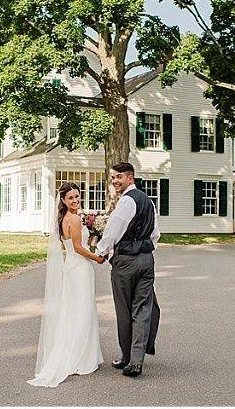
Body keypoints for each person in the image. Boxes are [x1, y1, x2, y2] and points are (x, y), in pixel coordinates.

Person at [28, 182, 104, 387]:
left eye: (77, 197)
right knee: (83, 310)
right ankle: (80, 357)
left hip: (70, 267)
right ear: (63, 200)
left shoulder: (63, 219)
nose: (75, 200)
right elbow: (79, 248)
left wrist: (94, 237)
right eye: (71, 198)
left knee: (72, 310)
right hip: (80, 268)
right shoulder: (75, 219)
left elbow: (67, 245)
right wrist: (97, 258)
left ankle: (76, 352)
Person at [96, 162, 161, 378]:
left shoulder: (126, 202)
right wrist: (144, 251)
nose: (115, 181)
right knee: (142, 309)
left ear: (130, 178)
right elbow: (155, 234)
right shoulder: (148, 202)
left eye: (119, 177)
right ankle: (136, 361)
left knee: (124, 311)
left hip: (126, 261)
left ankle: (128, 358)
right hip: (146, 260)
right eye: (113, 177)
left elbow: (113, 230)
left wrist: (102, 251)